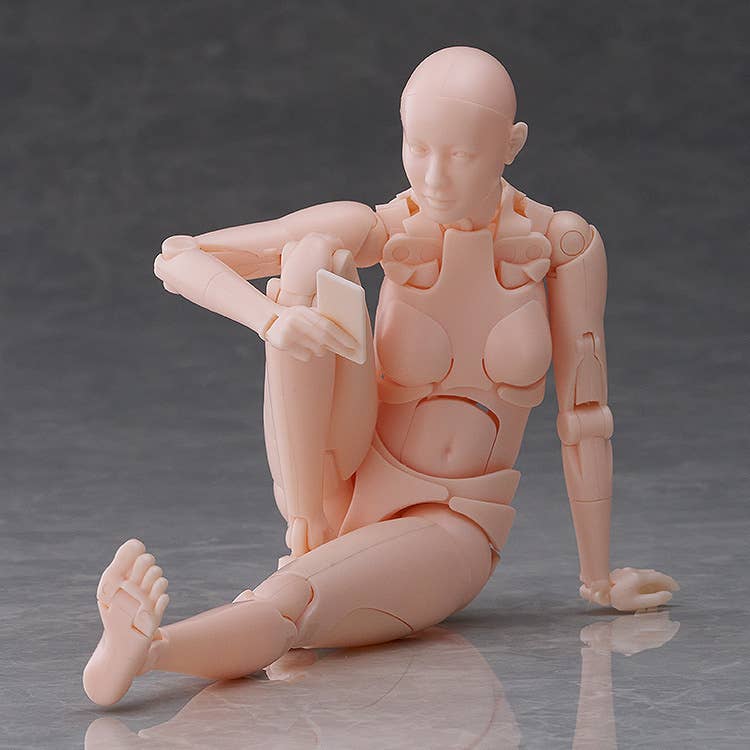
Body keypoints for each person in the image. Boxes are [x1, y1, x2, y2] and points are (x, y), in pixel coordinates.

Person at [83, 47, 678, 706]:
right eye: (417, 148)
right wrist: (271, 321)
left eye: (461, 154)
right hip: (340, 478)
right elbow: (180, 256)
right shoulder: (381, 228)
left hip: (454, 522)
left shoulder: (562, 246)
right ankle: (299, 534)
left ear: (510, 145)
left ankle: (151, 651)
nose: (434, 177)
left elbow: (585, 417)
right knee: (312, 257)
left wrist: (599, 577)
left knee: (295, 600)